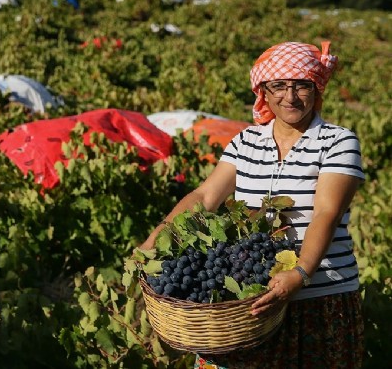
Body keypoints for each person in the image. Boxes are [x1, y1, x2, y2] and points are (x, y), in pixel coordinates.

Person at [139, 41, 365, 369]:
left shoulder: (338, 141)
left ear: (316, 88)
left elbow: (326, 211)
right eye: (279, 86)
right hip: (249, 301)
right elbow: (205, 197)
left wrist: (301, 272)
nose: (290, 97)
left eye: (302, 86)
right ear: (264, 91)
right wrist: (153, 241)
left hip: (319, 295)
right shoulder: (246, 141)